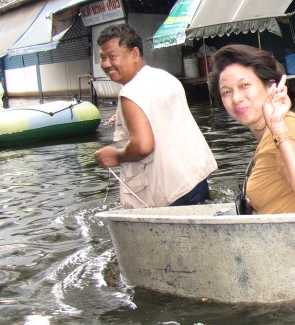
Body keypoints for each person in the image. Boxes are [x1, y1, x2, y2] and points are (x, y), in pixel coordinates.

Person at [93, 23, 217, 208]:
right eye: (103, 58)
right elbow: (163, 117)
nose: (106, 64)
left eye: (112, 57)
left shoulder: (130, 93)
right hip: (194, 179)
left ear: (135, 54)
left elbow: (143, 146)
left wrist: (116, 156)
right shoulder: (165, 78)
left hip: (170, 191)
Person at [209, 44, 295, 215]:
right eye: (226, 92)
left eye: (244, 85)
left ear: (270, 86)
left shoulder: (286, 127)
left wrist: (278, 124)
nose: (236, 98)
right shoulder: (267, 135)